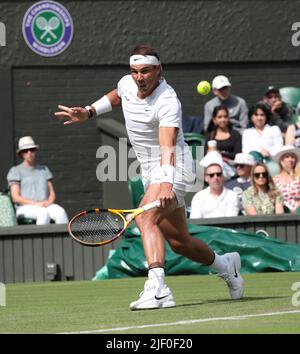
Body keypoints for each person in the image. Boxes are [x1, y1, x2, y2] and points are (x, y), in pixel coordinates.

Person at [55, 45, 244, 310]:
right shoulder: (127, 83)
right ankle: (227, 265)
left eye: (145, 71)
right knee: (180, 243)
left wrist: (167, 181)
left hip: (175, 169)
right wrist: (88, 111)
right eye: (134, 71)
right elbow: (118, 96)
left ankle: (159, 289)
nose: (139, 77)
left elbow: (168, 145)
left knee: (145, 218)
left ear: (158, 70)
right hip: (149, 172)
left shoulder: (168, 101)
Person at [7, 136, 69, 225]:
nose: (29, 153)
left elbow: (52, 193)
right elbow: (15, 197)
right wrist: (35, 203)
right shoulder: (15, 171)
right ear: (21, 153)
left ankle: (65, 238)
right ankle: (42, 239)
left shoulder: (44, 169)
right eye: (25, 150)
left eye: (32, 149)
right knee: (43, 213)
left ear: (35, 151)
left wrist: (49, 202)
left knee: (60, 212)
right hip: (25, 207)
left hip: (45, 205)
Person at [242, 102, 283, 176]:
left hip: (272, 164)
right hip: (253, 166)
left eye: (262, 115)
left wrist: (268, 154)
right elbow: (246, 151)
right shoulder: (247, 132)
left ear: (266, 116)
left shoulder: (274, 129)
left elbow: (279, 149)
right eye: (256, 115)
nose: (259, 118)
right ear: (251, 117)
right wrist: (260, 153)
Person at [272, 145, 300, 213]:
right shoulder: (274, 179)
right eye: (287, 157)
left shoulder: (298, 177)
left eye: (293, 157)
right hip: (281, 212)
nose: (290, 159)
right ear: (281, 160)